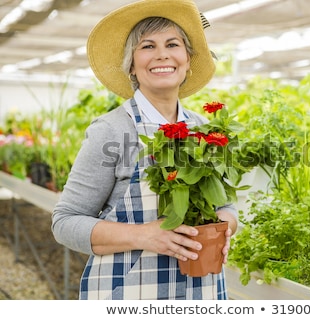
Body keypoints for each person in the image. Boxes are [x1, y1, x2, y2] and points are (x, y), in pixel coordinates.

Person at [51, 0, 238, 300]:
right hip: (126, 293)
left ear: (188, 60)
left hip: (201, 293)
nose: (162, 54)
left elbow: (225, 206)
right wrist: (145, 235)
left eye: (173, 44)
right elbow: (66, 221)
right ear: (132, 66)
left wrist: (223, 229)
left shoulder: (204, 130)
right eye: (147, 46)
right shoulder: (112, 130)